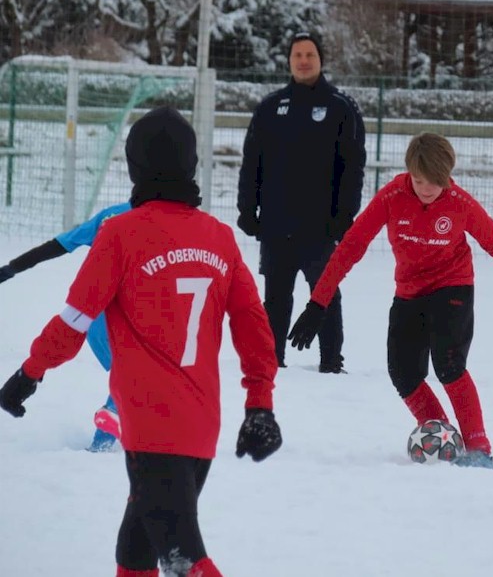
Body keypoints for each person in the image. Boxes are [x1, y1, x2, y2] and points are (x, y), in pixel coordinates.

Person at [0, 106, 283, 576]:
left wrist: (29, 374)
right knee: (134, 551)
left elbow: (73, 322)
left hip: (153, 430)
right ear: (192, 167)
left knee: (184, 558)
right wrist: (260, 404)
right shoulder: (220, 239)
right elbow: (255, 329)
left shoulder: (120, 234)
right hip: (200, 429)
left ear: (134, 168)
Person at [287, 133, 493, 468]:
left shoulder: (459, 204)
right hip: (409, 292)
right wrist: (318, 304)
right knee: (402, 372)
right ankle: (441, 433)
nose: (427, 188)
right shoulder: (392, 197)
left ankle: (478, 447)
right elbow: (350, 247)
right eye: (419, 180)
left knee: (448, 363)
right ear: (408, 173)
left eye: (435, 181)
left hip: (453, 287)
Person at [237, 30, 366, 374]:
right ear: (289, 60)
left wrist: (345, 216)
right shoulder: (269, 108)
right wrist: (247, 210)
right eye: (298, 55)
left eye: (310, 54)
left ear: (321, 60)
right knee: (276, 298)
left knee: (325, 294)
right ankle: (272, 360)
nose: (304, 60)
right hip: (276, 224)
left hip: (321, 227)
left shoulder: (342, 108)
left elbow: (353, 167)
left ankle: (330, 362)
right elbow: (252, 164)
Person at [0, 201, 132, 452]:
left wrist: (11, 269)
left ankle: (114, 426)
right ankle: (104, 440)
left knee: (128, 376)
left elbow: (57, 246)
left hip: (92, 316)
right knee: (135, 376)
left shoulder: (110, 215)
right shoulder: (166, 223)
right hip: (125, 316)